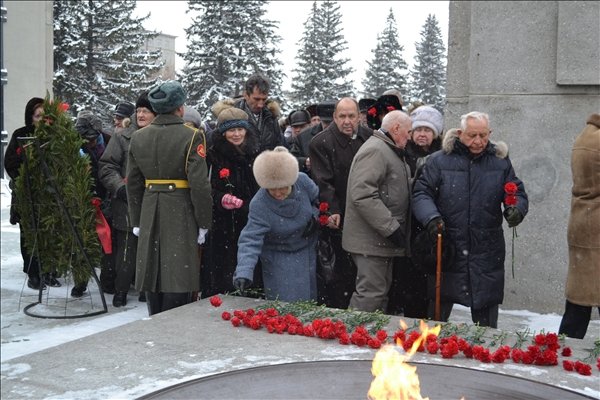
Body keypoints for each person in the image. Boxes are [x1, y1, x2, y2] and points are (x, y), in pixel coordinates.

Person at [412, 111, 528, 328]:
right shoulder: (439, 161)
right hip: (448, 245)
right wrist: (431, 217)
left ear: (490, 133)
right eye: (472, 135)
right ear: (460, 133)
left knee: (486, 314)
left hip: (486, 247)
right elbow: (422, 193)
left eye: (483, 135)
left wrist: (516, 208)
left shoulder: (500, 161)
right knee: (437, 313)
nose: (478, 141)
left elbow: (516, 191)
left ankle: (486, 356)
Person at [126, 80, 212, 315]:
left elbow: (132, 183)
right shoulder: (192, 136)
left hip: (149, 207)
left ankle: (156, 319)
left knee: (153, 271)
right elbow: (200, 185)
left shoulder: (138, 137)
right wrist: (204, 221)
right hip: (181, 208)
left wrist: (136, 220)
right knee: (179, 273)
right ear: (180, 108)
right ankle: (175, 327)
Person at [342, 111, 413, 312]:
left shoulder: (388, 149)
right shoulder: (377, 150)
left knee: (378, 293)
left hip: (379, 239)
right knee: (371, 293)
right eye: (408, 131)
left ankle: (368, 337)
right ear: (396, 128)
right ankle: (353, 337)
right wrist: (391, 227)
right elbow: (362, 194)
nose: (410, 136)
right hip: (372, 239)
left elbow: (393, 187)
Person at [308, 97, 374, 309]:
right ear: (335, 118)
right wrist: (334, 210)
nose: (347, 121)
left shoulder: (371, 138)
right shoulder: (321, 142)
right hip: (341, 215)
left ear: (359, 117)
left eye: (351, 116)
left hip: (367, 214)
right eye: (342, 116)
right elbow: (323, 181)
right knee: (341, 272)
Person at [233, 146, 319, 302]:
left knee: (310, 303)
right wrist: (244, 271)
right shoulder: (259, 204)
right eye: (272, 190)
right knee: (286, 307)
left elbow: (319, 201)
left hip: (307, 252)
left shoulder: (303, 182)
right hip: (278, 257)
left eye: (283, 188)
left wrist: (315, 217)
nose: (278, 193)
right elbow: (250, 240)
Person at [99, 93, 156, 307]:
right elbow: (107, 166)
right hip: (126, 202)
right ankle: (121, 290)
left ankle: (145, 289)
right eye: (138, 110)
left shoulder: (160, 135)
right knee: (126, 249)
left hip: (153, 199)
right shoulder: (122, 136)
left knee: (150, 247)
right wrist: (120, 188)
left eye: (146, 111)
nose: (141, 115)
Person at [387, 105, 444, 317]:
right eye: (418, 130)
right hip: (405, 225)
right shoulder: (401, 154)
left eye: (427, 130)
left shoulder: (442, 158)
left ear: (435, 134)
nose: (422, 135)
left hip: (430, 226)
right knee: (405, 279)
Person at [202, 102, 260, 298]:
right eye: (232, 130)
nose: (236, 134)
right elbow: (204, 185)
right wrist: (220, 198)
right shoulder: (212, 155)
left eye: (240, 129)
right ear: (223, 133)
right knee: (223, 266)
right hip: (222, 222)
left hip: (249, 217)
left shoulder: (253, 153)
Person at [3, 97, 59, 289]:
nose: (41, 120)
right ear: (30, 117)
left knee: (50, 232)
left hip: (50, 194)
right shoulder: (22, 135)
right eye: (37, 116)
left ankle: (49, 270)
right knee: (29, 232)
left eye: (45, 116)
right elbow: (10, 162)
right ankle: (33, 273)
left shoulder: (54, 136)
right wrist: (27, 175)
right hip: (27, 193)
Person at [558, 113, 600, 339]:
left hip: (584, 221)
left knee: (578, 302)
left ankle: (563, 350)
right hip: (597, 227)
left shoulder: (585, 137)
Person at [71, 110, 113, 297]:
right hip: (83, 198)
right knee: (82, 241)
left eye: (93, 138)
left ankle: (107, 281)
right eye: (86, 140)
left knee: (108, 242)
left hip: (108, 197)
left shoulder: (110, 141)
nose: (91, 143)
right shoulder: (73, 145)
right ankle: (80, 280)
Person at [234, 73, 283, 153]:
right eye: (256, 99)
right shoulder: (231, 115)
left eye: (264, 99)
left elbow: (280, 145)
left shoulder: (271, 117)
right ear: (246, 95)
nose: (260, 104)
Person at [291, 101, 335, 175]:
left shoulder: (348, 134)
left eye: (331, 122)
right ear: (321, 120)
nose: (328, 126)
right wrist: (305, 162)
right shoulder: (303, 137)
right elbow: (291, 159)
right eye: (325, 122)